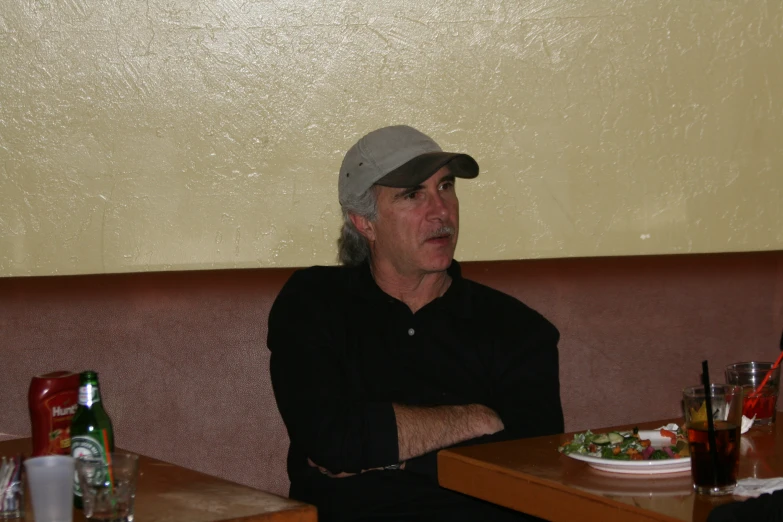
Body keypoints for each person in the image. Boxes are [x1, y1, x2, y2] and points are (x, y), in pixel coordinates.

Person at [267, 125, 564, 522]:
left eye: (445, 187)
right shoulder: (314, 302)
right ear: (364, 222)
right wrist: (477, 418)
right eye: (412, 195)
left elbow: (533, 460)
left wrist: (390, 457)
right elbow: (331, 440)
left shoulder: (517, 327)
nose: (441, 211)